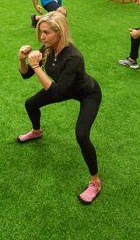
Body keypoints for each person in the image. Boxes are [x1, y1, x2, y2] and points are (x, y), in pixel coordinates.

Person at [17, 12, 103, 204]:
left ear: (59, 32)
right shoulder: (48, 48)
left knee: (82, 135)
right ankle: (36, 131)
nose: (42, 37)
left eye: (46, 32)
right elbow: (25, 75)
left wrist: (37, 67)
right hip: (62, 87)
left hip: (87, 93)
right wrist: (22, 60)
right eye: (41, 32)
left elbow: (55, 93)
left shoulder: (74, 57)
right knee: (31, 104)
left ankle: (95, 182)